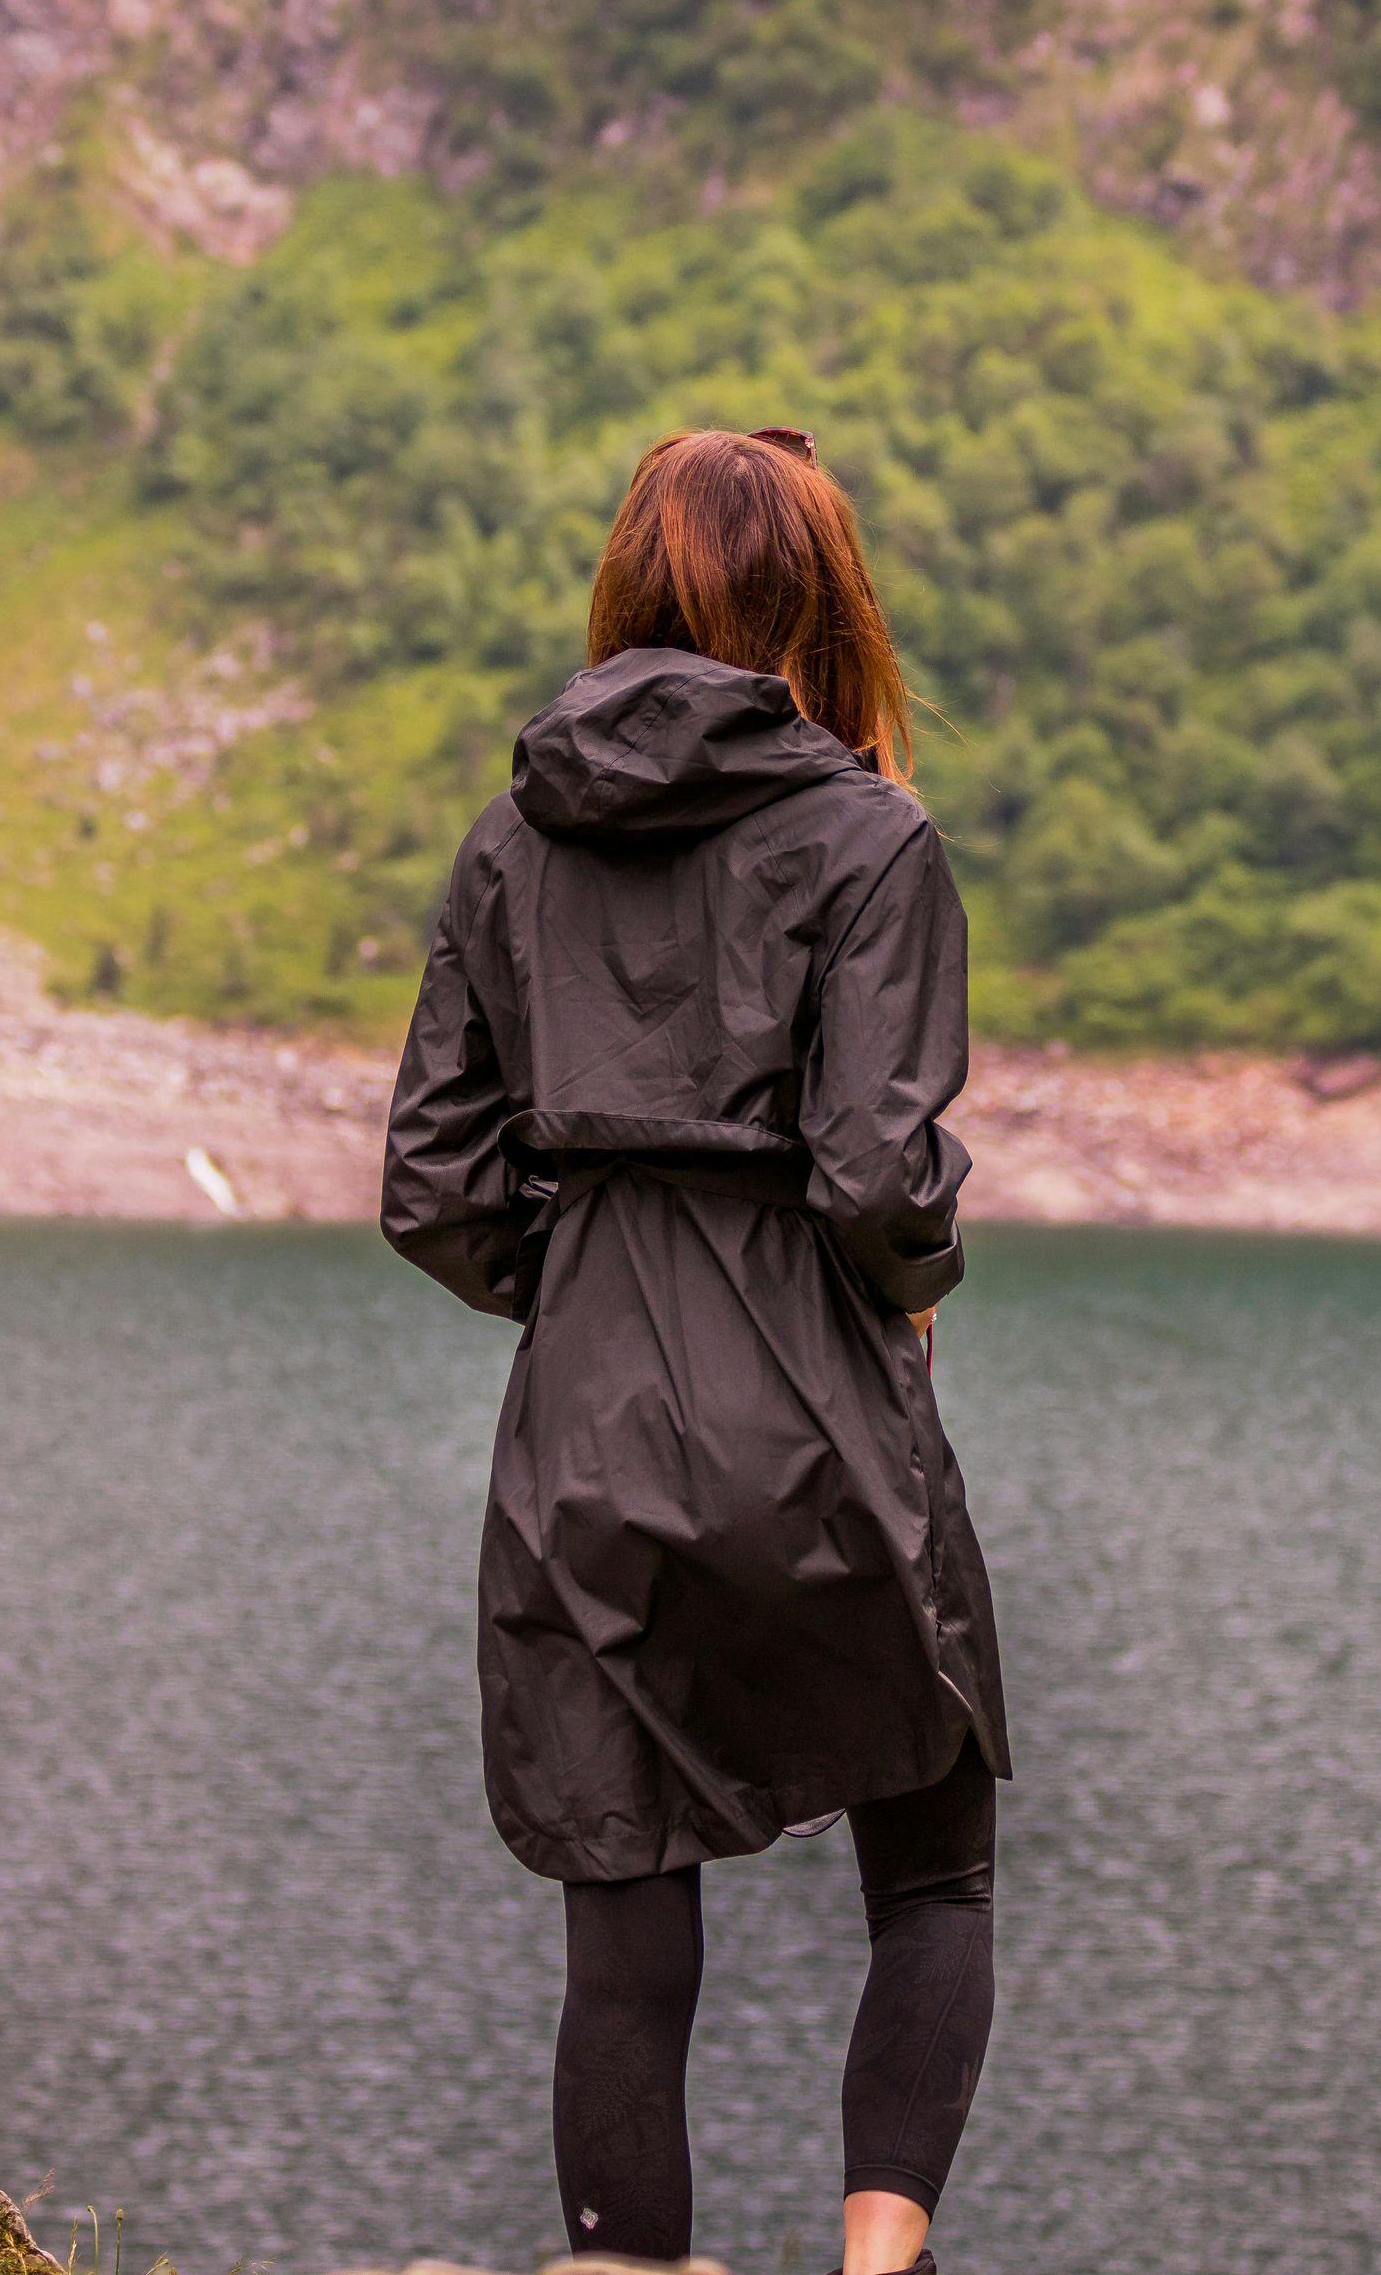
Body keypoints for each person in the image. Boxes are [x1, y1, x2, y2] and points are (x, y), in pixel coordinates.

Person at [381, 427, 1010, 2275]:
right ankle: (877, 2269)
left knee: (622, 1905)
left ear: (627, 587)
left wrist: (586, 1288)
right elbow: (878, 1173)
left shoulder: (513, 838)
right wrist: (914, 1282)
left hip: (584, 1423)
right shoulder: (873, 836)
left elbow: (434, 1186)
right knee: (932, 1864)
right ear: (824, 604)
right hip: (819, 1405)